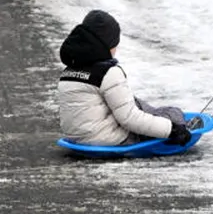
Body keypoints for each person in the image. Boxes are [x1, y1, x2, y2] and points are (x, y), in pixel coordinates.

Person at [57, 10, 192, 146]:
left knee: (135, 103)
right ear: (107, 44)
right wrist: (172, 130)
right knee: (171, 113)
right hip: (109, 139)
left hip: (77, 138)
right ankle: (183, 125)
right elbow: (130, 119)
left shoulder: (68, 72)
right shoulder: (108, 72)